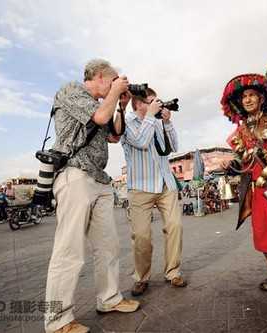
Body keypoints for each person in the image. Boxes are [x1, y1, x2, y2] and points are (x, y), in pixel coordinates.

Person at [44, 59, 139, 333]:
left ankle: (109, 298)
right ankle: (57, 321)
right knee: (69, 250)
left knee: (107, 246)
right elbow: (98, 119)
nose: (115, 85)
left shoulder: (105, 103)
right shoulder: (70, 91)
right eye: (112, 80)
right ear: (99, 76)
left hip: (99, 179)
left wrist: (121, 104)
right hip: (75, 175)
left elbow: (115, 135)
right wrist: (113, 94)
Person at [220, 73, 267, 298]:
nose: (248, 100)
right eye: (244, 97)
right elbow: (242, 161)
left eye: (252, 95)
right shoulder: (241, 131)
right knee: (262, 233)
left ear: (261, 98)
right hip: (255, 189)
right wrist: (230, 163)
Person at [120, 87, 186, 297]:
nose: (157, 105)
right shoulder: (127, 121)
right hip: (140, 186)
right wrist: (151, 117)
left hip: (165, 183)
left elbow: (173, 147)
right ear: (139, 104)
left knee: (175, 226)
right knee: (141, 236)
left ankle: (173, 271)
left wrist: (167, 123)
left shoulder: (157, 121)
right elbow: (140, 141)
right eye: (151, 101)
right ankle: (142, 277)